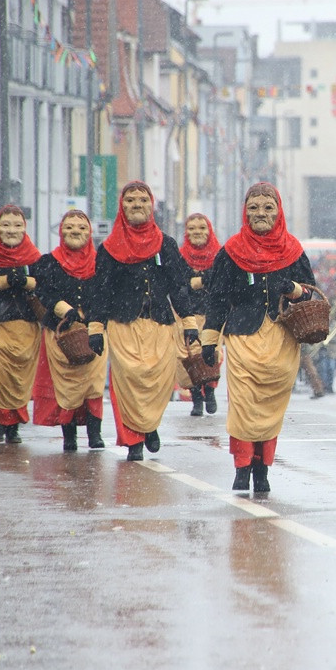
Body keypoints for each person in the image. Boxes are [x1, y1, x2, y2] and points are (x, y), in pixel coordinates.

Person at [202, 182, 315, 492]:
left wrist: (294, 290)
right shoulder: (231, 252)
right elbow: (218, 299)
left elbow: (311, 293)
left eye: (267, 207)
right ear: (244, 211)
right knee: (242, 404)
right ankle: (242, 466)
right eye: (254, 207)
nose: (260, 213)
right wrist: (210, 339)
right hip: (243, 337)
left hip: (281, 340)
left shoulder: (293, 251)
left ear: (278, 211)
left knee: (269, 406)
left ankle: (262, 467)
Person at [92, 181, 197, 462]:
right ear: (121, 206)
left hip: (160, 324)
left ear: (151, 205)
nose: (136, 204)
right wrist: (95, 327)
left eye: (142, 200)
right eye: (130, 200)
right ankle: (133, 440)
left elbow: (178, 286)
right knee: (128, 382)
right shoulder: (109, 249)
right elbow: (100, 291)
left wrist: (189, 321)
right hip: (123, 325)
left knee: (159, 382)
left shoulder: (167, 245)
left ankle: (149, 426)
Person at [32, 210, 107, 451]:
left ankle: (95, 433)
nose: (76, 231)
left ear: (90, 232)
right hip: (60, 332)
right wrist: (65, 309)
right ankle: (70, 436)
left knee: (94, 384)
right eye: (70, 227)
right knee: (65, 386)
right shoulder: (49, 263)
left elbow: (106, 293)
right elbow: (43, 293)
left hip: (93, 329)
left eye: (82, 227)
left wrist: (91, 314)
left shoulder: (101, 263)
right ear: (61, 231)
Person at [0, 205, 44, 443]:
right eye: (5, 225)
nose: (11, 230)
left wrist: (26, 281)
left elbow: (44, 286)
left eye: (17, 225)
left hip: (25, 324)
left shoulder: (34, 257)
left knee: (21, 377)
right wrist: (1, 281)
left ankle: (14, 426)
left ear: (24, 228)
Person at [176, 213, 222, 416]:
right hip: (187, 315)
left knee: (210, 353)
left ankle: (210, 391)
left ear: (209, 230)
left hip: (212, 313)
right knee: (188, 355)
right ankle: (196, 397)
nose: (197, 232)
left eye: (202, 228)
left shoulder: (219, 255)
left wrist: (198, 281)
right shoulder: (179, 255)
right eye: (192, 228)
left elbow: (221, 280)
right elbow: (178, 283)